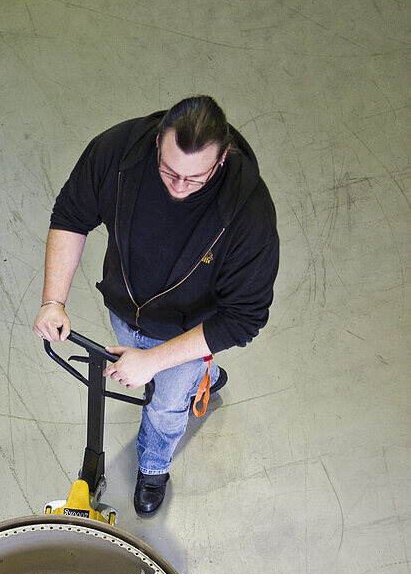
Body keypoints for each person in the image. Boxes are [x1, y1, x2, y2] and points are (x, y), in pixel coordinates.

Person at [32, 96, 279, 516]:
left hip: (189, 331)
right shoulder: (119, 152)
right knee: (171, 378)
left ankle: (153, 466)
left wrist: (154, 361)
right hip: (125, 307)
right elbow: (71, 214)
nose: (178, 187)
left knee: (165, 408)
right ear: (157, 140)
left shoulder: (248, 214)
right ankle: (205, 374)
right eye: (169, 170)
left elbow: (244, 318)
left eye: (195, 178)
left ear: (222, 160)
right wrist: (53, 300)